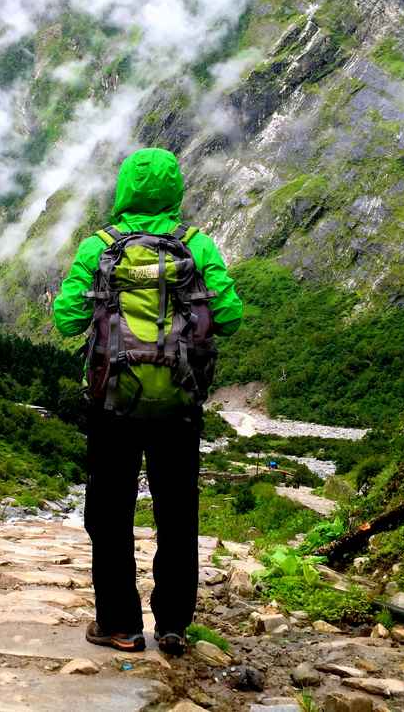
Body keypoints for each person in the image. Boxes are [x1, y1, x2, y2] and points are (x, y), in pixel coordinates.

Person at [52, 147, 242, 655]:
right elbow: (230, 315)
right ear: (176, 189)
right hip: (179, 402)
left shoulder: (99, 247)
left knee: (110, 513)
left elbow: (68, 320)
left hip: (112, 403)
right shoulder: (196, 245)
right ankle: (174, 625)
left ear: (124, 189)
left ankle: (119, 625)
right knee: (176, 514)